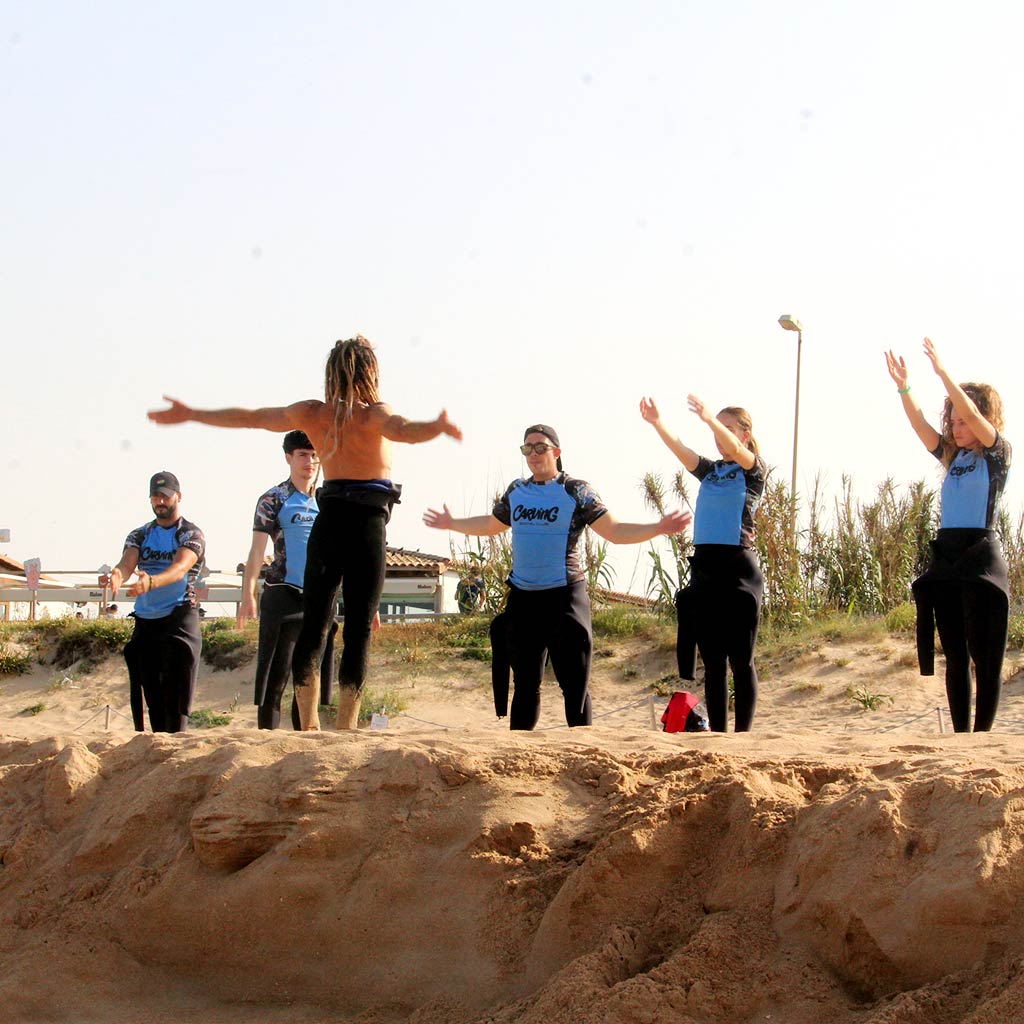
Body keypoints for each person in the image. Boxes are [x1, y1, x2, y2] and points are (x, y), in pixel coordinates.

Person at [148, 334, 461, 731]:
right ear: (371, 372)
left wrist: (193, 413)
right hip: (367, 527)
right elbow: (403, 429)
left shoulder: (313, 413)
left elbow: (252, 416)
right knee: (360, 626)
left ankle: (310, 723)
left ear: (330, 374)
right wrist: (436, 426)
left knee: (315, 620)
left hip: (328, 523)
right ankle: (346, 723)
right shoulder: (374, 415)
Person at [424, 424, 689, 730]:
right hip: (524, 599)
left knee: (574, 687)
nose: (533, 454)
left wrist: (657, 527)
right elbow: (491, 524)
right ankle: (519, 757)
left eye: (540, 447)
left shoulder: (576, 490)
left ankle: (585, 754)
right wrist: (451, 522)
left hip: (564, 597)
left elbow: (614, 531)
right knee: (525, 685)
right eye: (527, 449)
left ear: (557, 452)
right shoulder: (517, 491)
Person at [885, 337, 1011, 732]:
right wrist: (905, 388)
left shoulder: (997, 454)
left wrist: (942, 372)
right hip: (948, 557)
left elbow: (973, 413)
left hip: (981, 556)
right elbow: (919, 425)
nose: (956, 428)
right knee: (955, 654)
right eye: (952, 421)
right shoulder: (951, 456)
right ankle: (960, 736)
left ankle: (983, 736)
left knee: (983, 655)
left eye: (961, 422)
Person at [640, 395, 766, 732]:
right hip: (706, 568)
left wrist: (711, 420)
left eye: (728, 429)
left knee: (741, 660)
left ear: (744, 434)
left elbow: (740, 453)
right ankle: (719, 735)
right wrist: (657, 423)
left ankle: (743, 735)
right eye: (717, 429)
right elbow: (681, 450)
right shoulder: (711, 471)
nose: (718, 436)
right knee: (712, 662)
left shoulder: (752, 469)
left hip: (739, 567)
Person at [239, 430, 338, 730]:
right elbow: (257, 551)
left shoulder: (328, 499)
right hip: (283, 594)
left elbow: (344, 552)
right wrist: (248, 594)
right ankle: (266, 740)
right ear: (289, 458)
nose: (310, 461)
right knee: (276, 674)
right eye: (303, 455)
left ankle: (303, 743)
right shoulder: (273, 499)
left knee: (308, 678)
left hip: (319, 597)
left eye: (314, 455)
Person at [100, 472, 206, 732]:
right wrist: (116, 576)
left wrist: (152, 582)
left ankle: (177, 748)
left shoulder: (190, 533)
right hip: (147, 621)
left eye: (165, 496)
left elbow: (180, 568)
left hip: (179, 617)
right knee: (153, 697)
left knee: (176, 699)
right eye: (155, 496)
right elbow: (127, 564)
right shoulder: (140, 534)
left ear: (178, 497)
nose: (160, 501)